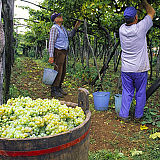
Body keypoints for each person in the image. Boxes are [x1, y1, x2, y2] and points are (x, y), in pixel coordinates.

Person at [119, 0, 155, 122]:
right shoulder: (140, 28)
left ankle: (124, 115)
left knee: (127, 92)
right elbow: (152, 12)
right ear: (136, 18)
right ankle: (138, 116)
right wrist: (144, 2)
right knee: (140, 93)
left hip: (126, 69)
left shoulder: (121, 29)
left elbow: (132, 19)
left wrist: (136, 11)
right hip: (140, 69)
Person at [48, 12, 81, 98]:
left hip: (63, 52)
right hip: (58, 51)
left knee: (63, 71)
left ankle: (59, 87)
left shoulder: (62, 28)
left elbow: (70, 35)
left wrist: (75, 27)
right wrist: (51, 55)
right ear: (55, 20)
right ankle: (54, 90)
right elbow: (51, 42)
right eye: (59, 16)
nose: (61, 17)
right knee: (58, 71)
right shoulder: (54, 28)